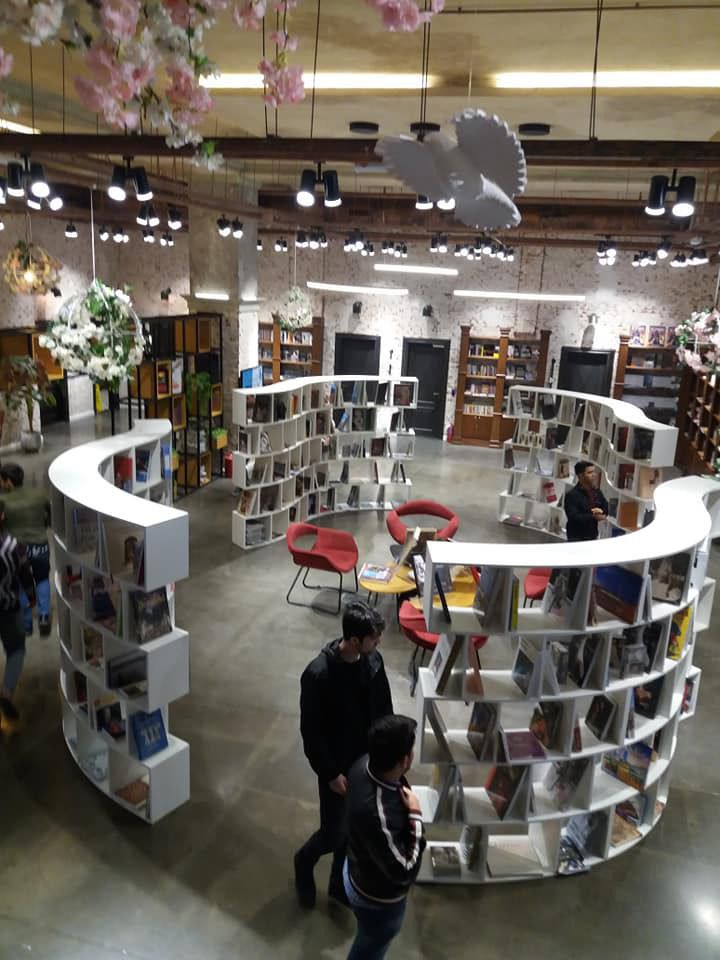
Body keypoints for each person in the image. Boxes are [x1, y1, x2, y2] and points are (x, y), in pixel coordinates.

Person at [295, 600, 393, 909]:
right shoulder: (318, 675)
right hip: (337, 769)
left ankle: (338, 886)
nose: (378, 643)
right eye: (373, 638)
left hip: (366, 765)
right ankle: (304, 861)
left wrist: (386, 756)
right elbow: (311, 733)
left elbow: (384, 712)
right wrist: (330, 774)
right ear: (353, 639)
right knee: (333, 833)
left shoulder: (373, 663)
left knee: (353, 831)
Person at [343, 714, 426, 959]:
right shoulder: (379, 814)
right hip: (376, 899)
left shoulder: (362, 764)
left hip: (356, 867)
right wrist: (415, 815)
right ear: (405, 759)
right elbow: (405, 870)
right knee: (369, 948)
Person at [0, 464, 52, 636]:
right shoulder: (39, 494)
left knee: (20, 585)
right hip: (40, 545)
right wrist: (43, 525)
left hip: (17, 550)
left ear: (8, 481)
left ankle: (27, 624)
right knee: (42, 579)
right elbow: (50, 514)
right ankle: (44, 616)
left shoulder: (3, 500)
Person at [0, 499, 37, 723]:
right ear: (2, 516)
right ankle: (6, 693)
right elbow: (25, 574)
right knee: (16, 651)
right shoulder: (13, 546)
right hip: (8, 608)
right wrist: (31, 598)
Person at [564, 460, 609, 542]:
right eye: (590, 472)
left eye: (594, 472)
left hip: (592, 535)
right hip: (576, 537)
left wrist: (603, 514)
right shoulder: (572, 495)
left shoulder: (596, 491)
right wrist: (593, 517)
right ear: (580, 476)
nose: (594, 475)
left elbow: (605, 506)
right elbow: (573, 517)